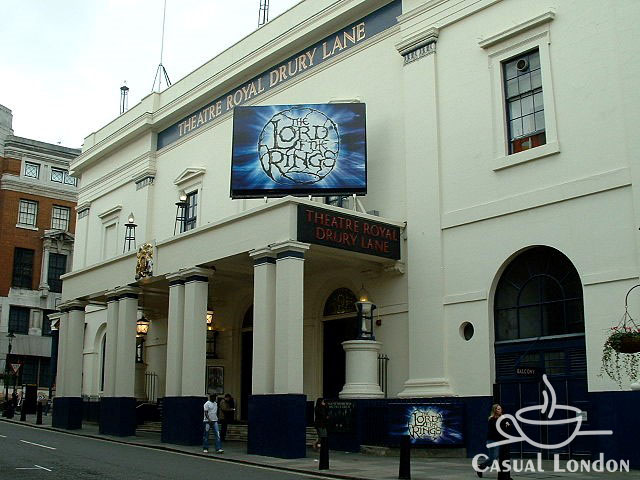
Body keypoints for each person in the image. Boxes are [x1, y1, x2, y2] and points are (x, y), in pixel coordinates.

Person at [477, 404, 503, 478]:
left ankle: (481, 467)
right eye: (498, 409)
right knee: (493, 458)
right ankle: (480, 467)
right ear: (494, 410)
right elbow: (496, 429)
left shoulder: (501, 418)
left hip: (498, 441)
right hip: (492, 441)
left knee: (496, 457)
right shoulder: (492, 419)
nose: (500, 410)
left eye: (500, 409)